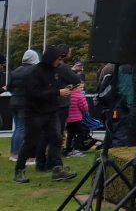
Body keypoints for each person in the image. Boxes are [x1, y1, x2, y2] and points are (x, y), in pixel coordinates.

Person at [13, 45, 76, 184]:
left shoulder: (56, 71)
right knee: (30, 142)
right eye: (59, 59)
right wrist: (57, 92)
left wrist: (63, 90)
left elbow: (51, 89)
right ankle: (19, 170)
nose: (60, 62)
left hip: (51, 112)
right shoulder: (35, 72)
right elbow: (33, 93)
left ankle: (58, 169)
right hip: (35, 113)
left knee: (56, 139)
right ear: (51, 58)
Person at [8, 50, 37, 163]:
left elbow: (9, 87)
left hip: (13, 101)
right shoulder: (32, 71)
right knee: (23, 128)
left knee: (17, 128)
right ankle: (19, 154)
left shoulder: (15, 71)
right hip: (24, 103)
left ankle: (14, 153)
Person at [64, 82, 90, 156]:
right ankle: (76, 149)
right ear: (75, 88)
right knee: (82, 133)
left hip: (68, 119)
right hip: (77, 119)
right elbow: (85, 108)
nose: (82, 89)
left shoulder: (68, 95)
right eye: (81, 87)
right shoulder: (80, 96)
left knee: (70, 134)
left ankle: (68, 150)